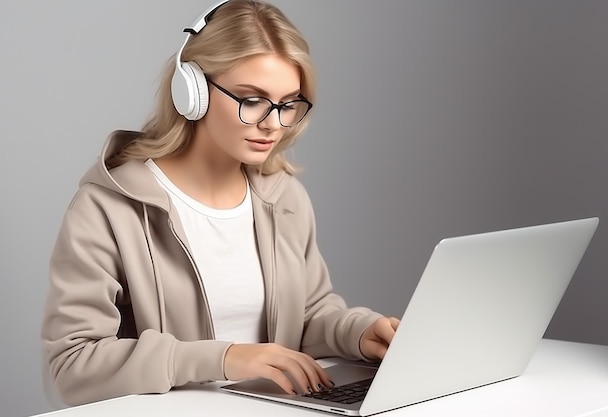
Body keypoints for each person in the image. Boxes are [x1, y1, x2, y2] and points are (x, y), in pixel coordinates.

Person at [41, 0, 399, 407]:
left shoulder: (283, 197)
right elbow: (73, 363)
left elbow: (307, 316)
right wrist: (225, 358)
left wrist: (359, 331)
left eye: (288, 104)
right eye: (252, 100)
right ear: (191, 91)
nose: (273, 124)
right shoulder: (108, 208)